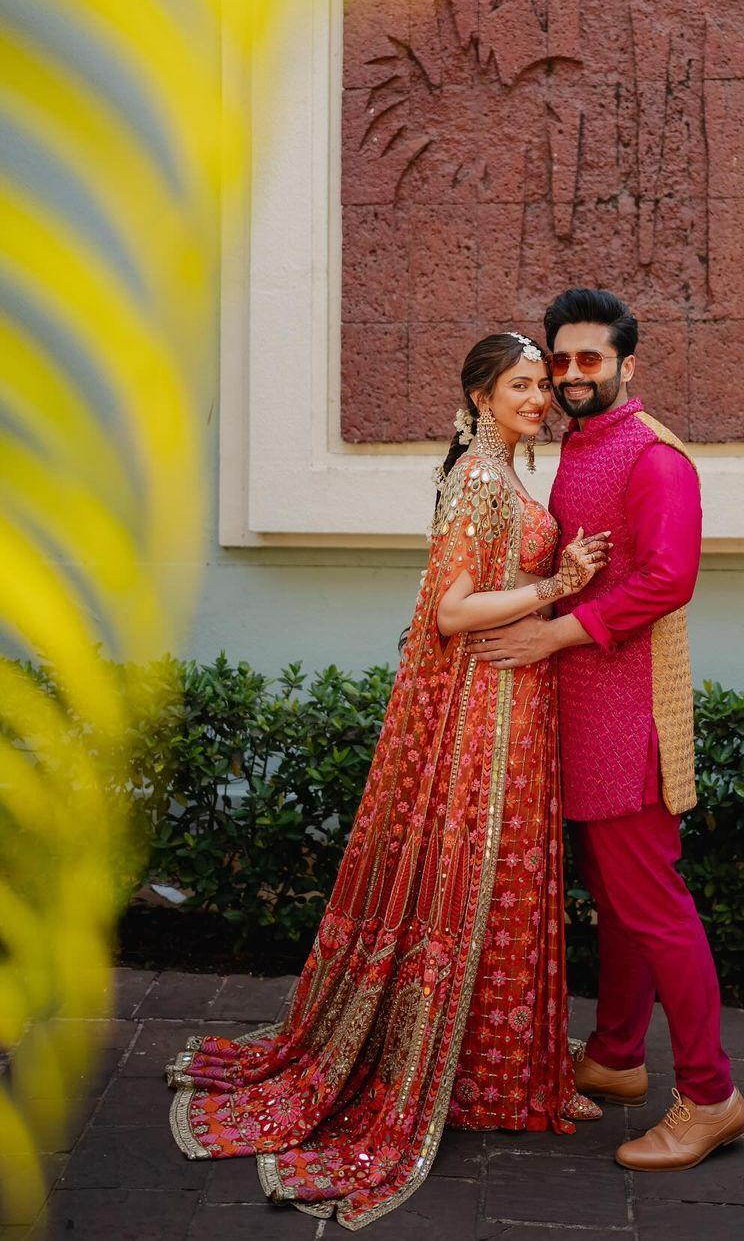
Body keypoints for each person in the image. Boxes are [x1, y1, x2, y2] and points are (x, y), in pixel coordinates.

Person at [164, 331, 610, 1231]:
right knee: (480, 877)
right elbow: (451, 612)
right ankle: (467, 1072)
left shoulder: (504, 473)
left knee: (509, 880)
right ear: (481, 395)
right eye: (521, 384)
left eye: (542, 385)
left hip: (517, 707)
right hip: (483, 712)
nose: (539, 397)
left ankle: (497, 1073)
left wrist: (549, 591)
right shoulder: (481, 482)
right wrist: (555, 585)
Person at [466, 289, 744, 1171]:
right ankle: (620, 1057)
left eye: (591, 360)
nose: (572, 375)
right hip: (583, 710)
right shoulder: (583, 446)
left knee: (653, 909)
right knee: (620, 903)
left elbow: (669, 579)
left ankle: (710, 1097)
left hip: (627, 720)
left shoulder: (656, 459)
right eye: (561, 360)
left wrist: (552, 631)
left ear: (629, 363)